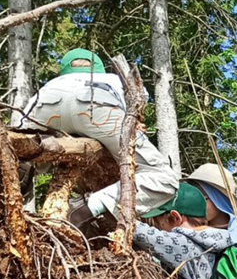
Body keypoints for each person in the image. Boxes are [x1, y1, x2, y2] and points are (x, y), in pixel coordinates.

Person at [17, 48, 179, 223]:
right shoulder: (112, 79)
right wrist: (132, 124)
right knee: (164, 179)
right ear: (99, 68)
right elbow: (139, 101)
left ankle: (23, 171)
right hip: (98, 108)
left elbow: (20, 124)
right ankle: (86, 209)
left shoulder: (53, 83)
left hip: (45, 106)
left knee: (27, 151)